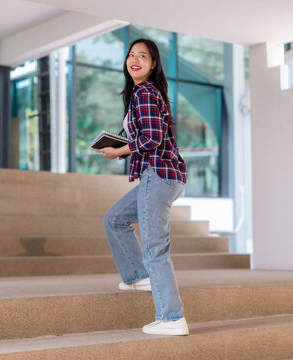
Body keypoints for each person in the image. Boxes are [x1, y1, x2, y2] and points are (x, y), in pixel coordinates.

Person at [95, 38, 188, 336]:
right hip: (161, 176)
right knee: (115, 218)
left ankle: (172, 318)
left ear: (153, 64)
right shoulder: (143, 93)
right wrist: (122, 147)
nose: (134, 59)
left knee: (155, 247)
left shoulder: (145, 92)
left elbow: (151, 139)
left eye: (142, 56)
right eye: (131, 55)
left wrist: (118, 151)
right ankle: (137, 275)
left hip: (158, 176)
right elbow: (151, 136)